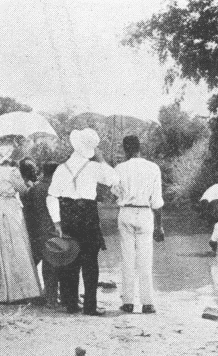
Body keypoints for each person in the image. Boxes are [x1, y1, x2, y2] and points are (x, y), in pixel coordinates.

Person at [47, 128, 118, 316]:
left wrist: (57, 222)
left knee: (70, 259)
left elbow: (51, 196)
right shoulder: (94, 167)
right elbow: (113, 179)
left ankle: (71, 304)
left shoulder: (61, 169)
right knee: (90, 263)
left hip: (67, 214)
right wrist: (101, 159)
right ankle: (90, 307)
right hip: (87, 214)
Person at [0, 143, 42, 302]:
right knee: (16, 246)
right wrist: (28, 183)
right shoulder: (12, 171)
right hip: (10, 208)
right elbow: (23, 190)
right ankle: (20, 291)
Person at [112, 135, 164, 314]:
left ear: (125, 149)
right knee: (145, 259)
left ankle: (128, 302)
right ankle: (147, 303)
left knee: (127, 258)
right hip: (145, 213)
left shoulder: (119, 168)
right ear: (139, 148)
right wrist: (160, 226)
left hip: (126, 212)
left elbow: (115, 194)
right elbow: (157, 201)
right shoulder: (153, 168)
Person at [23, 162, 64, 307]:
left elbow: (27, 212)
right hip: (52, 230)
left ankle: (35, 294)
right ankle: (52, 298)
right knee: (53, 265)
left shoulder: (34, 189)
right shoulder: (57, 189)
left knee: (36, 263)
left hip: (36, 231)